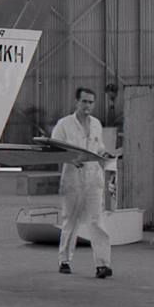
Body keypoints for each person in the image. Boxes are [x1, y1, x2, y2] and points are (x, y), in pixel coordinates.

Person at [50, 87, 113, 278]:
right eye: (84, 101)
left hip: (93, 178)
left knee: (97, 220)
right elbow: (54, 147)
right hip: (73, 177)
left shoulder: (96, 124)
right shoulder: (64, 125)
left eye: (91, 102)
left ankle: (102, 264)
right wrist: (70, 159)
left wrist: (104, 154)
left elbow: (99, 146)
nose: (88, 106)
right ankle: (64, 260)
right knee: (71, 220)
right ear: (77, 102)